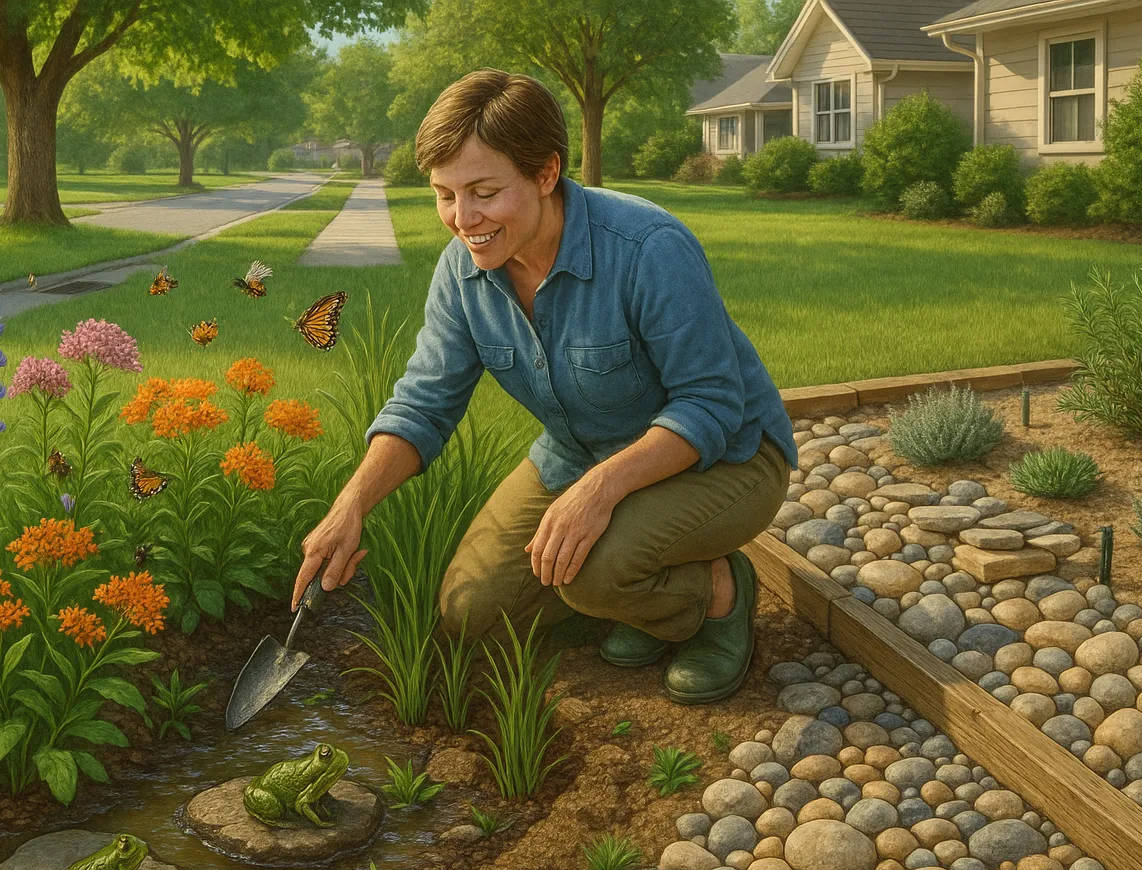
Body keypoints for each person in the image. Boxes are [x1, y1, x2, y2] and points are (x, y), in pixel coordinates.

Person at [292, 69, 797, 704]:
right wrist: (351, 506)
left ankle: (717, 594)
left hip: (728, 458)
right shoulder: (463, 271)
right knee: (470, 611)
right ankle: (639, 596)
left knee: (594, 574)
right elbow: (425, 400)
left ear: (546, 174)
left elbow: (712, 405)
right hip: (579, 455)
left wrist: (599, 491)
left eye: (482, 191)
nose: (462, 219)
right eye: (445, 194)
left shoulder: (647, 247)